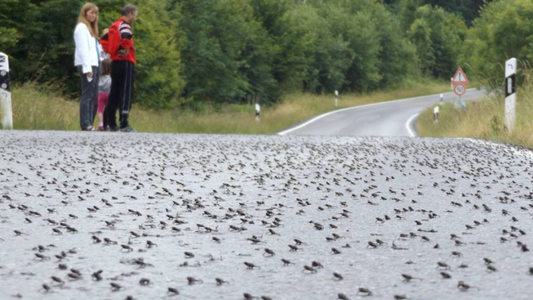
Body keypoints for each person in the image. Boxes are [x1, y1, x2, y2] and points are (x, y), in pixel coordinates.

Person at [104, 4, 138, 132]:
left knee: (115, 91)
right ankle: (124, 123)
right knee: (126, 92)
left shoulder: (114, 25)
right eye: (135, 15)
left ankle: (111, 122)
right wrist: (123, 48)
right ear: (129, 14)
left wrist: (112, 52)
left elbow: (104, 41)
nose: (135, 17)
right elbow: (126, 38)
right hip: (125, 61)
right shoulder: (125, 25)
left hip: (115, 62)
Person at [74, 3, 101, 131]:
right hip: (88, 65)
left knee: (95, 96)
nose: (93, 15)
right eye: (91, 12)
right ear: (84, 13)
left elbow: (95, 50)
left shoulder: (91, 29)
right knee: (87, 95)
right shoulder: (81, 28)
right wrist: (87, 68)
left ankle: (90, 121)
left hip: (95, 64)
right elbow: (83, 49)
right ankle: (85, 123)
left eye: (95, 13)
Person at [97, 59, 111, 131]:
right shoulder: (111, 77)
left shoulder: (99, 77)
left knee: (100, 110)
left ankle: (101, 125)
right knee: (108, 110)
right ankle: (108, 124)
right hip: (109, 94)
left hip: (100, 94)